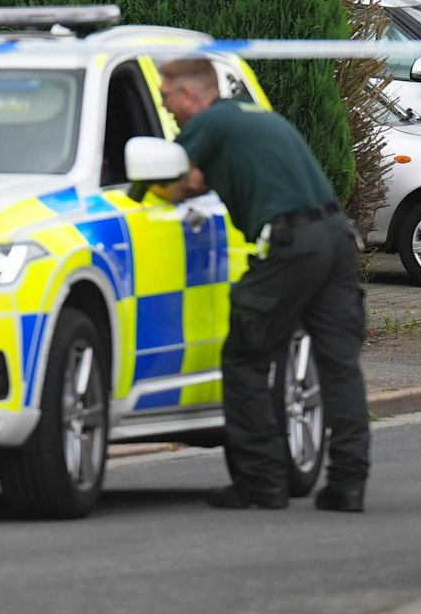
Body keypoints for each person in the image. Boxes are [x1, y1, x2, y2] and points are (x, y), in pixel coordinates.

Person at [153, 57, 369, 512]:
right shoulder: (251, 114)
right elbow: (209, 178)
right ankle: (348, 485)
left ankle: (261, 482)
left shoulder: (207, 121)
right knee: (339, 365)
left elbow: (174, 180)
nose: (166, 106)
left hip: (292, 244)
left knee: (245, 359)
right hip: (336, 238)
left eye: (166, 95)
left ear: (189, 94)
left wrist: (147, 191)